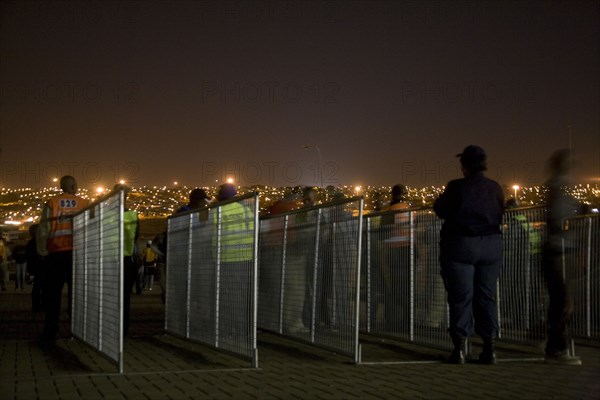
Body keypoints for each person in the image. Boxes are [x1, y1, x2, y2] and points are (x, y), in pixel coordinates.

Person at [434, 145, 504, 364]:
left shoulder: (456, 187)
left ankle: (460, 348)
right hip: (491, 245)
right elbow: (501, 211)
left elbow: (441, 210)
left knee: (461, 297)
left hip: (462, 245)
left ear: (464, 166)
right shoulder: (495, 188)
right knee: (486, 296)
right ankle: (489, 348)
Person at [37, 175, 89, 344]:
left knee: (53, 295)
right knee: (77, 295)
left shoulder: (52, 203)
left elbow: (43, 229)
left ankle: (50, 331)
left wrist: (42, 251)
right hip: (77, 254)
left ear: (61, 187)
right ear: (73, 185)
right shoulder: (84, 203)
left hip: (56, 254)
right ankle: (78, 331)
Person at [541, 149, 582, 365]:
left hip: (556, 251)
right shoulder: (560, 187)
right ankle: (557, 348)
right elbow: (560, 219)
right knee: (563, 302)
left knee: (559, 301)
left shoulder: (555, 186)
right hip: (560, 252)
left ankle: (553, 345)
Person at [214, 183, 255, 339]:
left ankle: (228, 328)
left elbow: (210, 236)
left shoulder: (216, 211)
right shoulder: (246, 211)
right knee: (243, 296)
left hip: (224, 259)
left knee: (226, 297)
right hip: (245, 258)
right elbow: (253, 231)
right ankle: (244, 329)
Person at [381, 184, 411, 332]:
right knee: (407, 286)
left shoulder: (389, 211)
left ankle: (392, 319)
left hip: (392, 252)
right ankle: (407, 318)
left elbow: (382, 231)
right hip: (408, 251)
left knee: (392, 286)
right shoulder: (410, 211)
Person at [113, 184, 140, 336]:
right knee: (124, 298)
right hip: (127, 260)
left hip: (111, 260)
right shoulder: (132, 215)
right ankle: (123, 329)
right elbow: (135, 237)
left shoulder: (106, 215)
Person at [26, 224, 44, 311]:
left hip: (36, 267)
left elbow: (29, 258)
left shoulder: (30, 243)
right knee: (41, 287)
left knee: (37, 287)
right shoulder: (38, 243)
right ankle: (39, 305)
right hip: (40, 266)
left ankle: (36, 305)